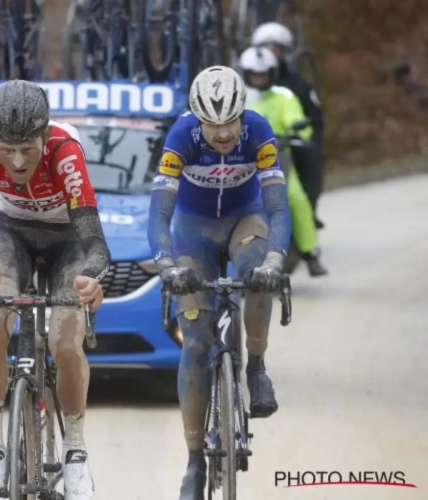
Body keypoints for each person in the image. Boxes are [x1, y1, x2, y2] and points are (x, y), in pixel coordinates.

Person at [0, 79, 110, 500]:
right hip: (8, 232)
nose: (16, 162)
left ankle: (75, 452)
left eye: (27, 149)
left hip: (66, 237)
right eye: (6, 149)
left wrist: (91, 277)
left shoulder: (65, 152)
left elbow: (95, 243)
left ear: (44, 137)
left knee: (64, 342)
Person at [147, 66, 291, 500]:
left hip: (244, 221)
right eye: (214, 124)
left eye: (231, 121)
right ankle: (194, 461)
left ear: (243, 114)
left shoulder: (258, 132)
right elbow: (158, 216)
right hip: (193, 234)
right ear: (197, 120)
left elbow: (278, 210)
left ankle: (256, 367)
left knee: (257, 273)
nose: (224, 134)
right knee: (194, 343)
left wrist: (275, 259)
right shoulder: (181, 138)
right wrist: (169, 265)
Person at [239, 46, 328, 277]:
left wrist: (296, 132)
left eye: (263, 74)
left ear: (272, 73)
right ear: (245, 73)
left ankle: (310, 254)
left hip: (279, 158)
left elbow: (296, 120)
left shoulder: (283, 96)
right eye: (254, 75)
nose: (259, 79)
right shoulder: (239, 97)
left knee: (297, 200)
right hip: (242, 161)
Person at [251, 22, 325, 228]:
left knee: (305, 176)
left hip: (289, 144)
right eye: (266, 48)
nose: (271, 54)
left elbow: (312, 117)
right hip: (254, 146)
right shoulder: (245, 82)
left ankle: (306, 225)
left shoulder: (296, 84)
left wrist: (306, 139)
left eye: (275, 48)